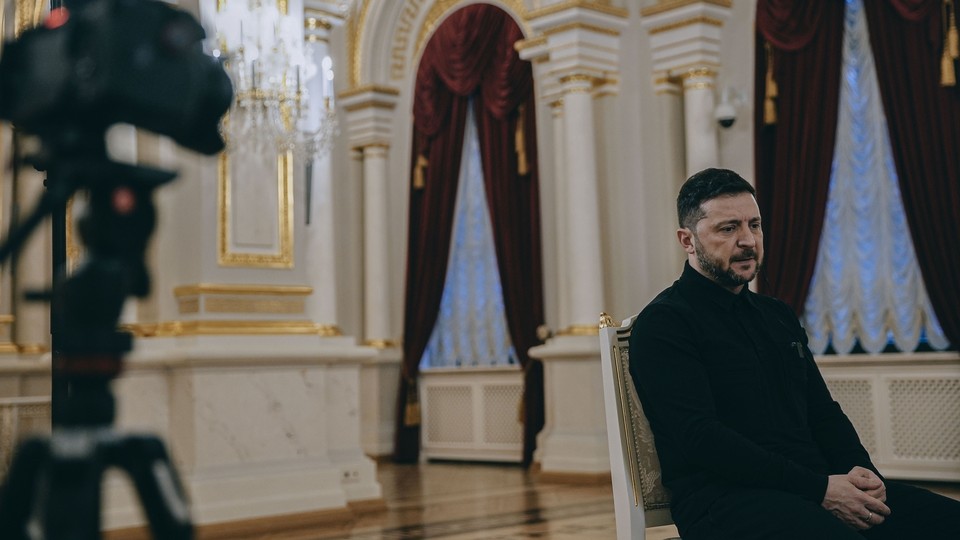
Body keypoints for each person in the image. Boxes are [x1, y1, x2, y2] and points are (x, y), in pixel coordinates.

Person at [629, 168, 960, 539]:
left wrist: (863, 474)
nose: (748, 241)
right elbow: (703, 440)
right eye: (728, 228)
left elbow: (822, 411)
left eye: (754, 225)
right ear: (687, 240)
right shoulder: (664, 324)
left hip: (814, 486)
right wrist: (820, 490)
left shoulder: (778, 315)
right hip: (724, 503)